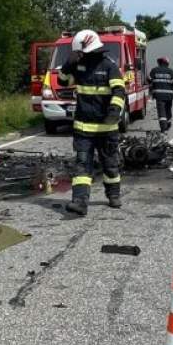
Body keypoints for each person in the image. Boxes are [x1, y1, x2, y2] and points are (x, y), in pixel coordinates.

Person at [57, 29, 126, 215]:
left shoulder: (109, 66)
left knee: (110, 164)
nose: (77, 55)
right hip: (83, 128)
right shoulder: (79, 66)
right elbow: (63, 82)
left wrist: (114, 110)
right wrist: (66, 66)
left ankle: (113, 195)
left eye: (78, 52)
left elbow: (119, 91)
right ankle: (80, 202)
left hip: (107, 128)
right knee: (81, 165)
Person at [148, 56, 173, 133]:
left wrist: (153, 84)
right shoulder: (171, 71)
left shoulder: (154, 70)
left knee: (161, 112)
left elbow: (148, 79)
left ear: (159, 63)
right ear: (167, 63)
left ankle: (163, 128)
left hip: (159, 95)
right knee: (168, 110)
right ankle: (168, 124)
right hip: (169, 95)